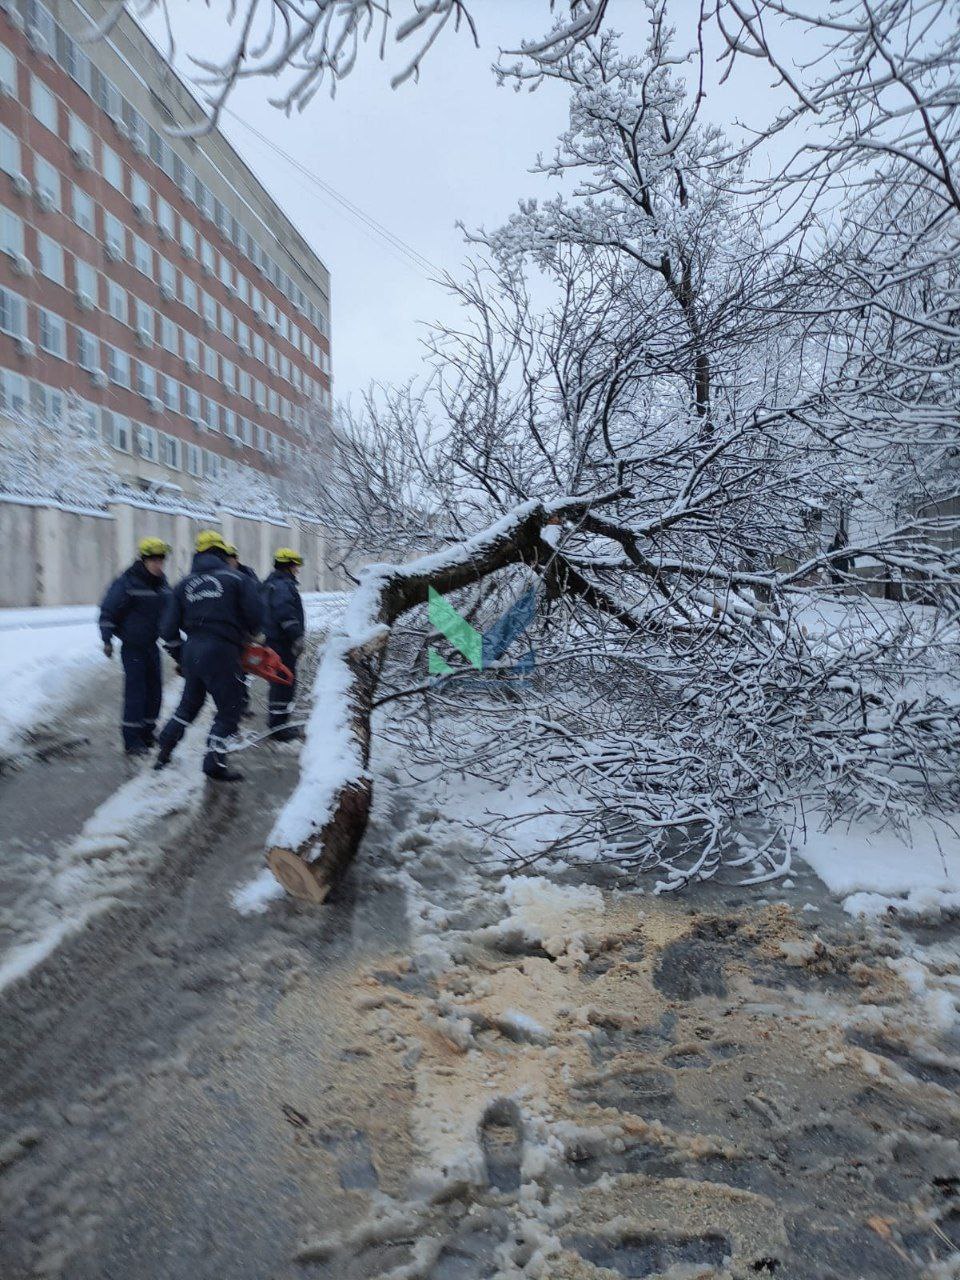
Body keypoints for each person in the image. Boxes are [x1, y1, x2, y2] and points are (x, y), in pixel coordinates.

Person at [155, 530, 263, 782]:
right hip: (223, 650)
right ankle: (214, 763)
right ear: (221, 554)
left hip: (192, 648)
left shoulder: (182, 585)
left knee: (188, 705)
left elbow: (167, 629)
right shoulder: (237, 579)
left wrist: (181, 655)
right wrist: (250, 636)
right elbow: (256, 616)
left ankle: (165, 749)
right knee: (229, 710)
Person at [99, 538, 172, 757]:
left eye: (161, 561)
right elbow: (108, 610)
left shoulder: (162, 584)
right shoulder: (127, 582)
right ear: (144, 560)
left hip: (151, 645)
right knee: (136, 692)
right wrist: (107, 639)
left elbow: (171, 610)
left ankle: (147, 732)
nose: (159, 565)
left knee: (155, 691)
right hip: (132, 646)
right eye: (154, 561)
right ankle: (132, 740)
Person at [261, 547, 305, 741]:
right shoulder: (282, 586)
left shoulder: (271, 584)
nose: (297, 570)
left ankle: (277, 724)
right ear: (289, 566)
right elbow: (285, 613)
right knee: (284, 683)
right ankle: (279, 728)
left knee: (279, 682)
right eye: (296, 566)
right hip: (282, 643)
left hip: (273, 642)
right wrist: (296, 636)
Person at [225, 544, 259, 719]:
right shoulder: (222, 576)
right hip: (229, 631)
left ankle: (242, 704)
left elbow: (256, 601)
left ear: (236, 558)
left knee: (244, 669)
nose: (229, 561)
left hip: (244, 631)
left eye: (231, 557)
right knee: (230, 670)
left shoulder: (247, 575)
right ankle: (230, 706)